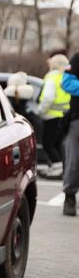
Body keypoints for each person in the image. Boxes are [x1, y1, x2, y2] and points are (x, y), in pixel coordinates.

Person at [36, 54, 71, 178]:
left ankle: (57, 169)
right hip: (65, 116)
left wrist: (40, 111)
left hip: (51, 116)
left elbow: (48, 97)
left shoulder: (52, 77)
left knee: (48, 144)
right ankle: (59, 169)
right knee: (57, 144)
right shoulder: (66, 77)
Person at [60, 53, 79, 216]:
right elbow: (66, 83)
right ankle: (70, 196)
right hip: (77, 120)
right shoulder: (77, 59)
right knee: (74, 162)